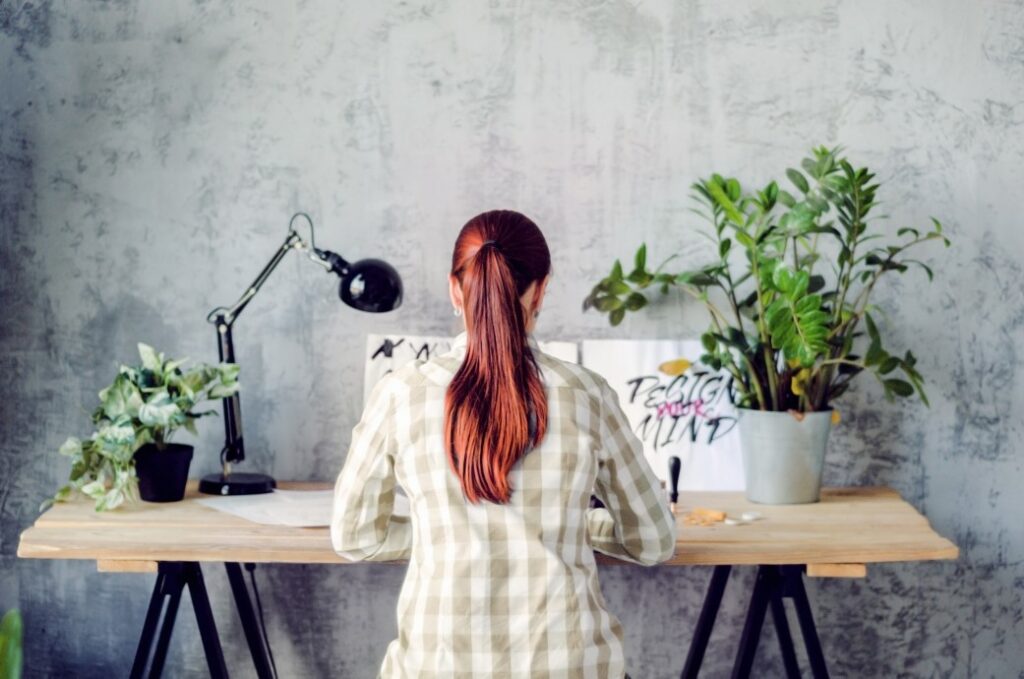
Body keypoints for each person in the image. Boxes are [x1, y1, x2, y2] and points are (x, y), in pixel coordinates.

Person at [331, 209, 676, 678]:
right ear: (541, 289)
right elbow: (654, 542)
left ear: (456, 289)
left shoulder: (400, 393)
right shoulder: (586, 393)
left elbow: (353, 537)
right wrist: (576, 527)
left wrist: (447, 534)